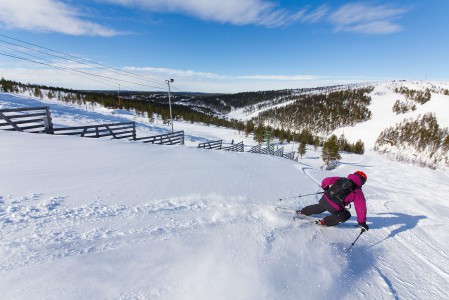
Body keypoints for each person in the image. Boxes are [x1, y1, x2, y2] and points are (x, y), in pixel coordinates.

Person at [298, 171, 369, 231]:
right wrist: (362, 222)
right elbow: (361, 209)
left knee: (321, 206)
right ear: (362, 181)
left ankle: (303, 211)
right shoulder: (358, 192)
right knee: (346, 215)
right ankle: (324, 222)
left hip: (325, 198)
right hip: (334, 207)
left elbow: (326, 180)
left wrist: (325, 188)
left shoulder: (342, 179)